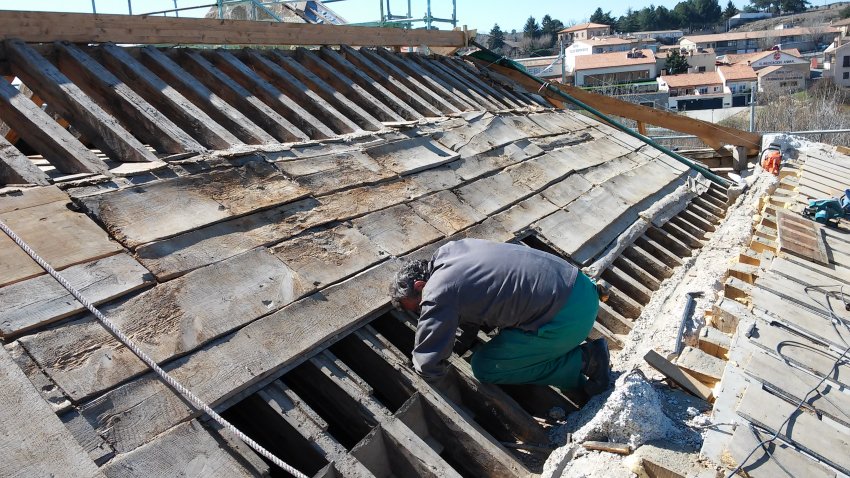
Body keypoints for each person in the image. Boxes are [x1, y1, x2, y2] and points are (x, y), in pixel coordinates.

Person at [389, 238, 611, 395]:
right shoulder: (452, 251)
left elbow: (428, 360)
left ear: (420, 285)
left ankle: (586, 361)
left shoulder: (437, 291)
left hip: (568, 317)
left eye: (418, 306)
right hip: (581, 287)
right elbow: (472, 306)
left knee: (485, 366)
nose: (423, 311)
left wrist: (429, 378)